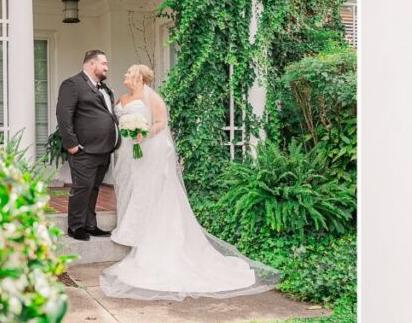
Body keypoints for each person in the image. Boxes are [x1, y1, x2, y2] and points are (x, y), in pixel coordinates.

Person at [98, 64, 280, 300]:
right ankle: (132, 231)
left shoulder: (152, 97)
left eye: (128, 73)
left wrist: (144, 133)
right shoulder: (124, 97)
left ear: (138, 77)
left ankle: (150, 238)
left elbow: (161, 123)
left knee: (151, 193)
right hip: (128, 153)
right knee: (134, 190)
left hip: (150, 150)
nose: (124, 76)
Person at [55, 49, 120, 242]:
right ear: (92, 64)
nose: (107, 67)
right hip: (84, 149)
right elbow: (63, 115)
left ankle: (90, 225)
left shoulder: (104, 88)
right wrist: (72, 144)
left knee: (94, 188)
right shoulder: (72, 84)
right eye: (104, 64)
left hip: (104, 149)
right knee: (82, 188)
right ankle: (75, 227)